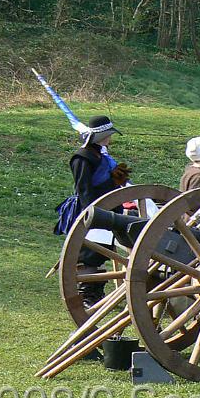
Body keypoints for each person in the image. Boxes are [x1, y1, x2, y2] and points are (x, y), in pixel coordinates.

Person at [71, 115, 131, 309]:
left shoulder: (102, 156)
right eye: (107, 136)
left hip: (109, 209)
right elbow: (84, 189)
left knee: (101, 253)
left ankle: (96, 293)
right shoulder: (82, 157)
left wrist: (117, 179)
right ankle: (87, 295)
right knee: (89, 254)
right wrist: (92, 213)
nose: (109, 139)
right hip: (93, 210)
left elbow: (109, 184)